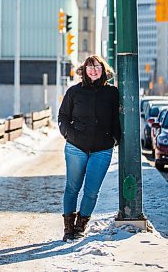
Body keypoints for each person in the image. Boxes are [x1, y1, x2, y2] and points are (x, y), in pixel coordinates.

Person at [58, 54, 121, 241]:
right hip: (75, 147)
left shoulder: (112, 93)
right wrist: (69, 134)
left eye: (97, 67)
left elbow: (117, 118)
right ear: (84, 70)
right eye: (90, 67)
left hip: (102, 149)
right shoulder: (74, 92)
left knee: (92, 191)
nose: (93, 70)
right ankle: (68, 227)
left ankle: (80, 226)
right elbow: (62, 116)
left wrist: (115, 138)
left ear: (103, 70)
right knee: (72, 188)